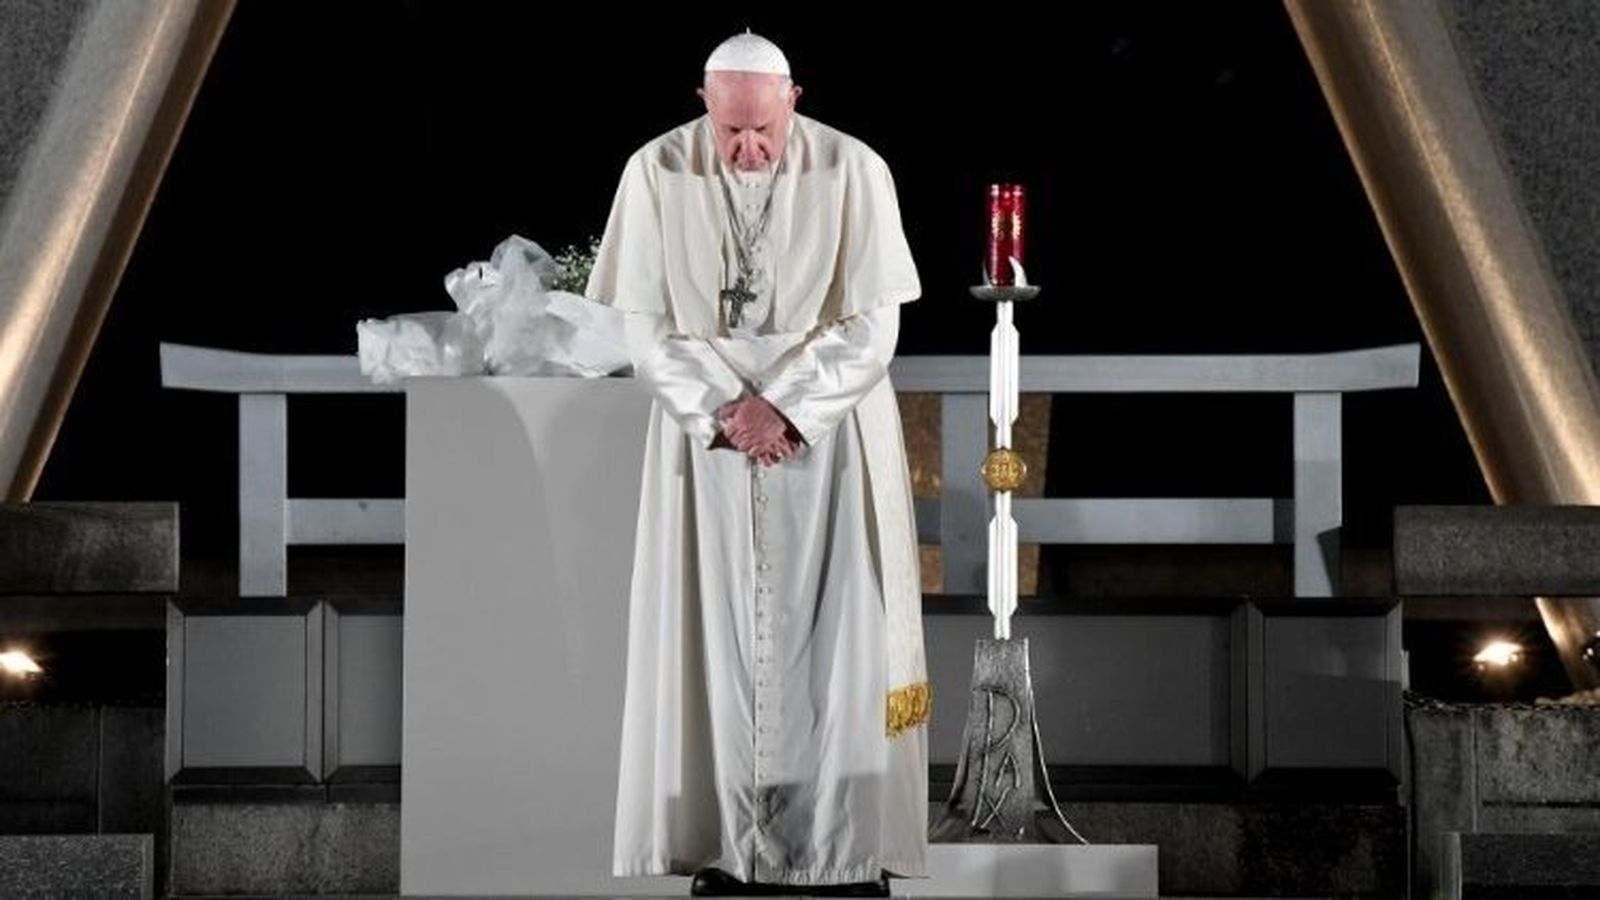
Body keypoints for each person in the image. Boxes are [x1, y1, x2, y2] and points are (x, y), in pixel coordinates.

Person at [584, 30, 929, 897]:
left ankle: (842, 857)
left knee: (842, 645)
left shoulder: (855, 170)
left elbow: (875, 327)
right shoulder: (654, 171)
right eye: (728, 130)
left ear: (793, 101)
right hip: (708, 443)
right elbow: (642, 327)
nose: (745, 150)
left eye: (762, 132)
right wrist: (728, 412)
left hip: (829, 438)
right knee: (713, 646)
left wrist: (787, 408)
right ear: (703, 102)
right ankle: (729, 852)